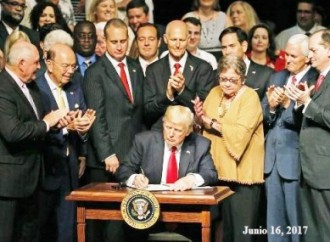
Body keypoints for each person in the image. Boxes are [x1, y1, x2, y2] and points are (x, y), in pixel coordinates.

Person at [116, 105, 218, 242]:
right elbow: (124, 169)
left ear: (188, 131)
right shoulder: (144, 141)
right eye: (168, 127)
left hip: (185, 211)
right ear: (163, 123)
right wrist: (134, 178)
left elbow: (211, 173)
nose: (171, 134)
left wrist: (191, 180)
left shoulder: (200, 144)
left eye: (177, 130)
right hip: (148, 209)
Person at [83, 18, 145, 242]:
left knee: (133, 221)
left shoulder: (136, 67)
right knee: (109, 226)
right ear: (104, 42)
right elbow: (96, 116)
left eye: (123, 41)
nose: (119, 46)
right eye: (114, 41)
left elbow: (138, 111)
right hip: (106, 160)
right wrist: (107, 153)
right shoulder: (95, 73)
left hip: (133, 157)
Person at [0, 41, 68, 242]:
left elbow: (37, 122)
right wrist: (47, 123)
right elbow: (13, 132)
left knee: (29, 236)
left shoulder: (32, 87)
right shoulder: (2, 89)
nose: (40, 67)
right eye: (36, 62)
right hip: (9, 185)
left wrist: (55, 123)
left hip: (34, 180)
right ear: (21, 63)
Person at [193, 55, 264, 242]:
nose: (227, 84)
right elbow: (202, 128)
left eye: (233, 80)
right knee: (217, 231)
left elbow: (241, 133)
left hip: (242, 177)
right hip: (217, 174)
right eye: (223, 79)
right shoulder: (214, 92)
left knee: (241, 234)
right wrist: (199, 119)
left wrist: (212, 122)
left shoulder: (250, 97)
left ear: (243, 79)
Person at [36, 43, 96, 242]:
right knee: (41, 229)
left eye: (73, 66)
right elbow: (33, 129)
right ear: (49, 64)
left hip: (69, 170)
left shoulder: (75, 87)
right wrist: (64, 128)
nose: (71, 71)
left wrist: (83, 129)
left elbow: (81, 127)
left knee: (67, 230)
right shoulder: (36, 88)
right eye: (65, 66)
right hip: (44, 169)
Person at [262, 34, 318, 242]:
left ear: (307, 57)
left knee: (297, 223)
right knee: (274, 225)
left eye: (294, 56)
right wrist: (273, 106)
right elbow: (264, 116)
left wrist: (287, 106)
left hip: (296, 160)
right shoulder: (277, 77)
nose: (288, 60)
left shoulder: (314, 80)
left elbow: (309, 121)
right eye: (286, 54)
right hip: (272, 160)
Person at [285, 29, 330, 242]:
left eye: (314, 50)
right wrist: (300, 102)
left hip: (325, 172)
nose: (309, 55)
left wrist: (308, 103)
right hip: (310, 169)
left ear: (329, 50)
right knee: (312, 233)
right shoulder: (318, 78)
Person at [144, 20, 214, 130]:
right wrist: (167, 95)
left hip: (191, 134)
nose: (177, 45)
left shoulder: (203, 68)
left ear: (187, 39)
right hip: (160, 134)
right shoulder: (153, 70)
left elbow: (204, 109)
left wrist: (182, 91)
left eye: (181, 40)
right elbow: (147, 112)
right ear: (166, 39)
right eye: (173, 40)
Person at [219, 26, 274, 100]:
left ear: (244, 46)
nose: (227, 51)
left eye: (232, 46)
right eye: (224, 47)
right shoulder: (215, 74)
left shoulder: (266, 74)